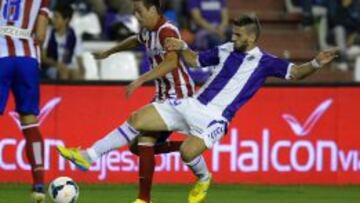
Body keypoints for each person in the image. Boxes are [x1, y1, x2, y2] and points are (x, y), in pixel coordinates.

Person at [57, 14, 338, 203]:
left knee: (187, 152)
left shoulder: (266, 61)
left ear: (251, 39)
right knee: (137, 118)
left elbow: (296, 72)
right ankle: (89, 156)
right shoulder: (227, 48)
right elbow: (195, 61)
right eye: (234, 32)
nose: (233, 36)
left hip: (217, 117)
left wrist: (315, 64)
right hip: (192, 103)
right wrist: (182, 47)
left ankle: (203, 178)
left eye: (238, 34)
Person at [58, 0, 211, 203]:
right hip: (164, 95)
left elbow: (172, 61)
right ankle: (152, 190)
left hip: (180, 96)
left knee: (136, 120)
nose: (137, 17)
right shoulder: (148, 32)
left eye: (139, 12)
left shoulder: (167, 31)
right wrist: (110, 51)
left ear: (153, 10)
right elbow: (134, 40)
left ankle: (90, 156)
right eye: (135, 13)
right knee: (139, 146)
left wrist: (141, 78)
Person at [0, 0, 50, 202]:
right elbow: (40, 34)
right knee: (30, 121)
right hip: (27, 58)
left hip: (1, 55)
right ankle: (39, 185)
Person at [42, 4, 85, 80]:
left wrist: (82, 71)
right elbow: (43, 57)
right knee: (63, 72)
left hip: (68, 66)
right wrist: (57, 64)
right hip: (51, 67)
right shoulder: (48, 33)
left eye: (56, 17)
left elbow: (79, 60)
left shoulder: (74, 36)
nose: (53, 20)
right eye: (53, 17)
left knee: (76, 74)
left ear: (66, 20)